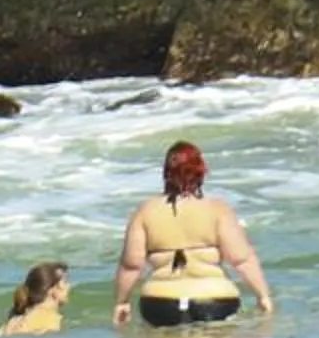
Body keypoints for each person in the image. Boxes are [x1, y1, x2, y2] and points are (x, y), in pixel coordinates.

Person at [112, 140, 276, 327]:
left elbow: (131, 266)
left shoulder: (145, 212)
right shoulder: (217, 210)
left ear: (166, 172)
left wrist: (121, 302)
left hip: (160, 303)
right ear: (200, 172)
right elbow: (241, 260)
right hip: (213, 301)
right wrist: (263, 296)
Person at [0, 261, 71, 336]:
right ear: (52, 290)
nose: (68, 286)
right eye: (65, 282)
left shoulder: (14, 321)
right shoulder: (51, 319)